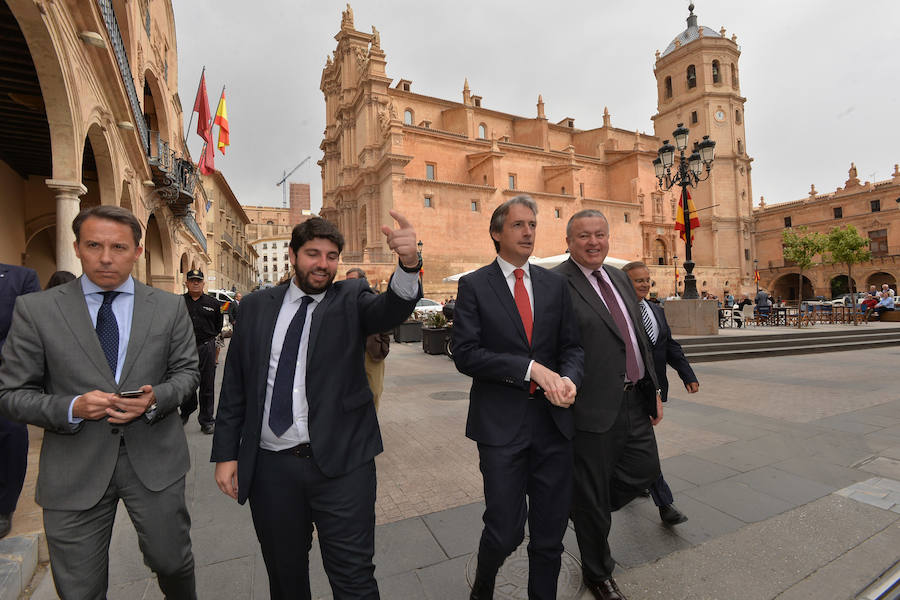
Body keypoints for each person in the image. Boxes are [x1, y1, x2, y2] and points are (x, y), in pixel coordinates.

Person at [211, 213, 421, 600]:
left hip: (343, 465)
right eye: (312, 253)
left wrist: (408, 264)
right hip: (272, 468)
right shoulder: (256, 307)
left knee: (354, 578)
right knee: (285, 578)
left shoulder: (351, 298)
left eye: (331, 255)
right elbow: (236, 385)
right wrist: (226, 454)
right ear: (293, 255)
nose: (322, 263)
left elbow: (390, 309)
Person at [0, 205, 200, 599]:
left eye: (119, 247)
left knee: (172, 562)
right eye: (94, 245)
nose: (106, 257)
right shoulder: (38, 310)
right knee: (78, 589)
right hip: (74, 469)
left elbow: (187, 374)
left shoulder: (168, 307)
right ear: (77, 247)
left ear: (138, 252)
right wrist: (71, 407)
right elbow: (10, 394)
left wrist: (155, 398)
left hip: (155, 462)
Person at [452, 195, 583, 600]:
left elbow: (572, 347)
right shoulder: (474, 285)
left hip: (553, 426)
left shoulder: (554, 284)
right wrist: (530, 369)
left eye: (532, 225)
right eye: (518, 225)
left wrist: (569, 379)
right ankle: (484, 586)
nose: (528, 232)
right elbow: (467, 354)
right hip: (500, 427)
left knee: (550, 533)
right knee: (505, 529)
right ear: (496, 233)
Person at [552, 210, 662, 600]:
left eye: (600, 234)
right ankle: (598, 574)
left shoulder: (618, 276)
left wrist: (653, 391)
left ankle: (579, 508)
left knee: (645, 469)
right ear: (569, 241)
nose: (593, 242)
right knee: (594, 495)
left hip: (634, 400)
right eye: (584, 236)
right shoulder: (556, 283)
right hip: (590, 409)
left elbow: (637, 337)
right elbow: (552, 346)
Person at [623, 261, 699, 526]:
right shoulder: (618, 314)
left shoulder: (656, 310)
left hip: (652, 390)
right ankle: (665, 504)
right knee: (646, 448)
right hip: (628, 392)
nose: (644, 284)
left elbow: (669, 345)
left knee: (634, 445)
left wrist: (687, 374)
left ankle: (635, 480)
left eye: (647, 279)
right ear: (624, 283)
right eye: (637, 280)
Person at [0, 263, 41, 539]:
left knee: (9, 436)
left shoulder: (21, 277)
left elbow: (31, 328)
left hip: (6, 374)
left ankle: (4, 507)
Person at [180, 269, 223, 435]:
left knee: (207, 385)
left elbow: (218, 326)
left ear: (203, 283)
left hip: (206, 347)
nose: (195, 283)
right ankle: (186, 411)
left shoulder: (213, 303)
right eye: (192, 280)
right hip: (185, 349)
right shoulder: (178, 302)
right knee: (185, 383)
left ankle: (206, 420)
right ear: (187, 283)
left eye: (198, 280)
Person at [345, 268, 391, 411]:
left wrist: (382, 346)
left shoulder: (373, 298)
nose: (349, 285)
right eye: (348, 282)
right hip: (350, 354)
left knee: (374, 391)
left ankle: (371, 424)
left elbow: (385, 325)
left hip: (371, 354)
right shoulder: (342, 302)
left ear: (362, 281)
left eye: (352, 281)